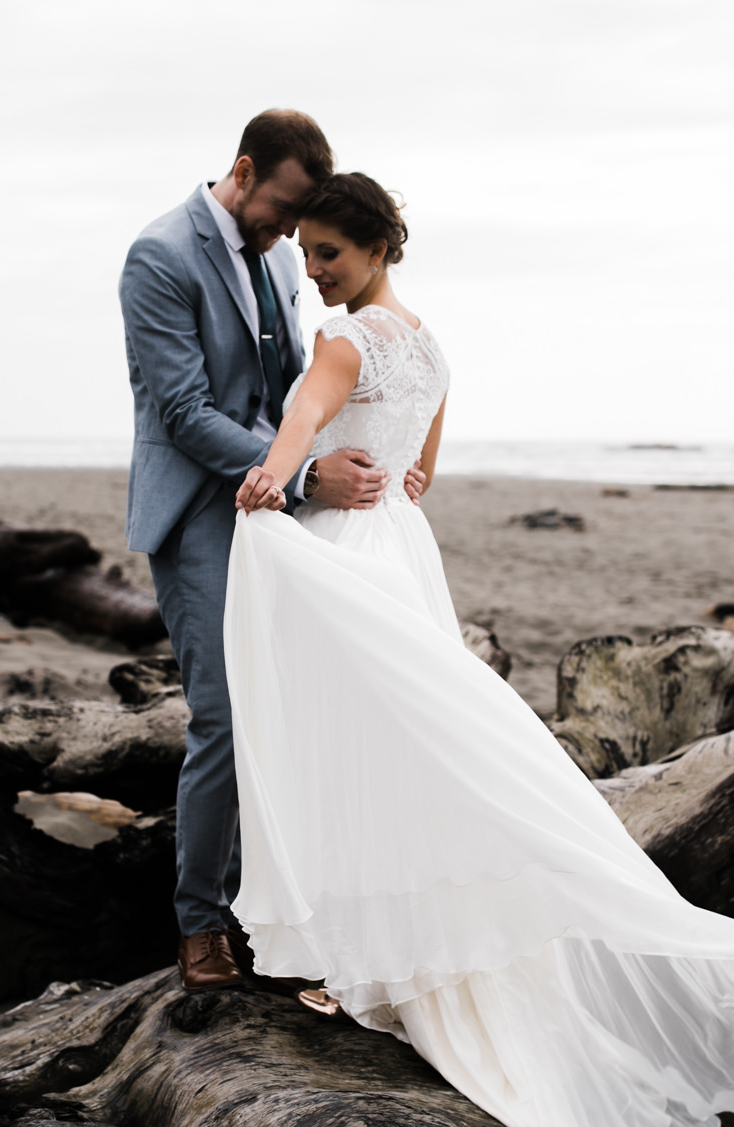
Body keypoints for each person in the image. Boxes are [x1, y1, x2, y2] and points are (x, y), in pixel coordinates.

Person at [227, 172, 734, 1127]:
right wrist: (368, 474)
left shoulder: (344, 341)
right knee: (402, 746)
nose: (314, 273)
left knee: (350, 743)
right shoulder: (432, 347)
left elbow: (302, 419)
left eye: (329, 254)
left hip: (351, 546)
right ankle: (373, 955)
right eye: (304, 254)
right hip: (397, 542)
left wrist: (273, 476)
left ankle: (356, 962)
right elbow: (425, 468)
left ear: (381, 245)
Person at [118, 110, 424, 992]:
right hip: (202, 508)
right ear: (244, 170)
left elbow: (293, 385)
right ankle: (200, 927)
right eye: (283, 209)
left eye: (303, 222)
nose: (291, 233)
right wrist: (298, 478)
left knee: (299, 711)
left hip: (279, 505)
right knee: (227, 714)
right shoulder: (160, 256)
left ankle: (287, 912)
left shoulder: (284, 256)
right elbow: (182, 414)